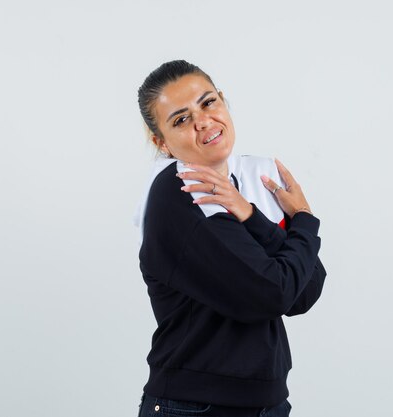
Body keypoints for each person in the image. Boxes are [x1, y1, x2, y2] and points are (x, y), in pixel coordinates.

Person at [134, 60, 326, 417]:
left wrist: (251, 215)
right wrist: (304, 220)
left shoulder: (246, 185)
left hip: (264, 404)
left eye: (208, 103)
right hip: (199, 407)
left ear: (223, 101)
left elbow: (306, 290)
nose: (203, 121)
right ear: (161, 141)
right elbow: (274, 292)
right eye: (180, 119)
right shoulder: (181, 194)